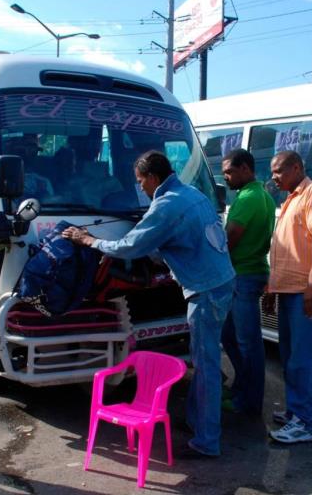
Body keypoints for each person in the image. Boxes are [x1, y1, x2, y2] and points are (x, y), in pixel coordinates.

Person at [63, 150, 235, 459]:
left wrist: (89, 240)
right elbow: (178, 240)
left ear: (153, 178)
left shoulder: (167, 205)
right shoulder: (191, 193)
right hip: (221, 281)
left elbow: (130, 246)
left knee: (206, 366)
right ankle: (199, 424)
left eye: (141, 181)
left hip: (205, 290)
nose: (140, 188)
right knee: (203, 359)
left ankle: (207, 441)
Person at [264, 150, 312, 444]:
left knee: (303, 360)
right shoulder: (291, 198)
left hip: (310, 292)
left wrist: (311, 286)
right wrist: (273, 288)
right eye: (272, 171)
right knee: (290, 358)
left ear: (296, 167)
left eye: (279, 171)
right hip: (289, 291)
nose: (274, 176)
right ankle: (298, 410)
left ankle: (305, 423)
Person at [219, 149, 275, 416]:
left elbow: (230, 239)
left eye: (229, 171)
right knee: (229, 336)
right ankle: (243, 387)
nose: (226, 177)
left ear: (245, 169)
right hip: (247, 274)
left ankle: (249, 401)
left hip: (244, 275)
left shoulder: (250, 198)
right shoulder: (259, 194)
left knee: (247, 342)